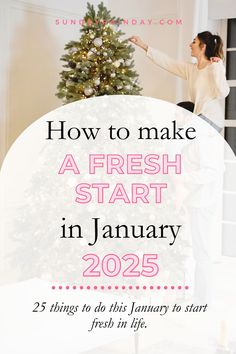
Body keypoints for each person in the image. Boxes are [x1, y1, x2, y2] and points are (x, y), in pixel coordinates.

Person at [129, 31, 230, 132]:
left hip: (212, 118)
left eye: (194, 42)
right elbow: (167, 62)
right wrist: (142, 45)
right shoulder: (191, 69)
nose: (190, 45)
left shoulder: (213, 67)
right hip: (200, 117)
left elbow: (223, 92)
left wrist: (217, 67)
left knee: (180, 135)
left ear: (203, 46)